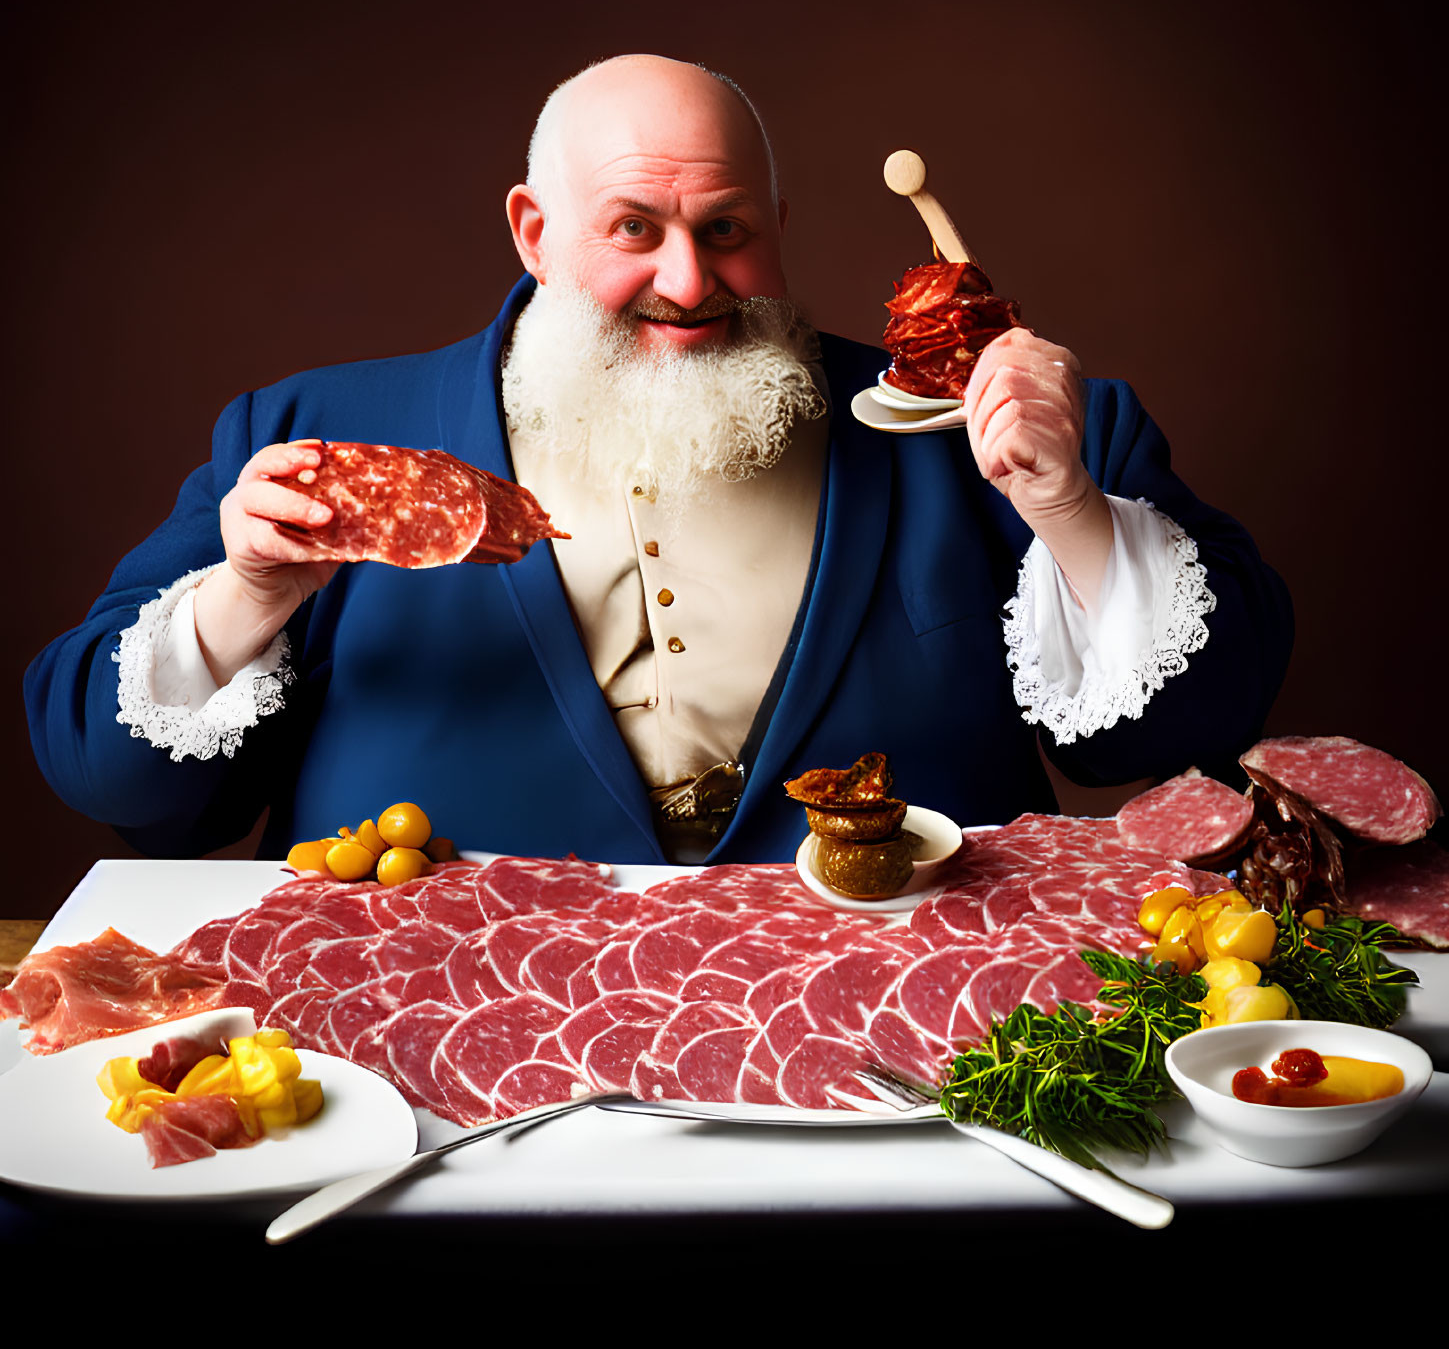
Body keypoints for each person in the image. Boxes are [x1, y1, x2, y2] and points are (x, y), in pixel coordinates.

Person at [25, 55, 1292, 867]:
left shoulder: (1000, 425)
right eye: (634, 227)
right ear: (534, 230)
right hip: (435, 1062)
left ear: (778, 229)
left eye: (728, 230)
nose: (689, 283)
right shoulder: (303, 438)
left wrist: (1066, 505)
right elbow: (117, 785)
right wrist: (248, 597)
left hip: (909, 1056)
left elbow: (1198, 722)